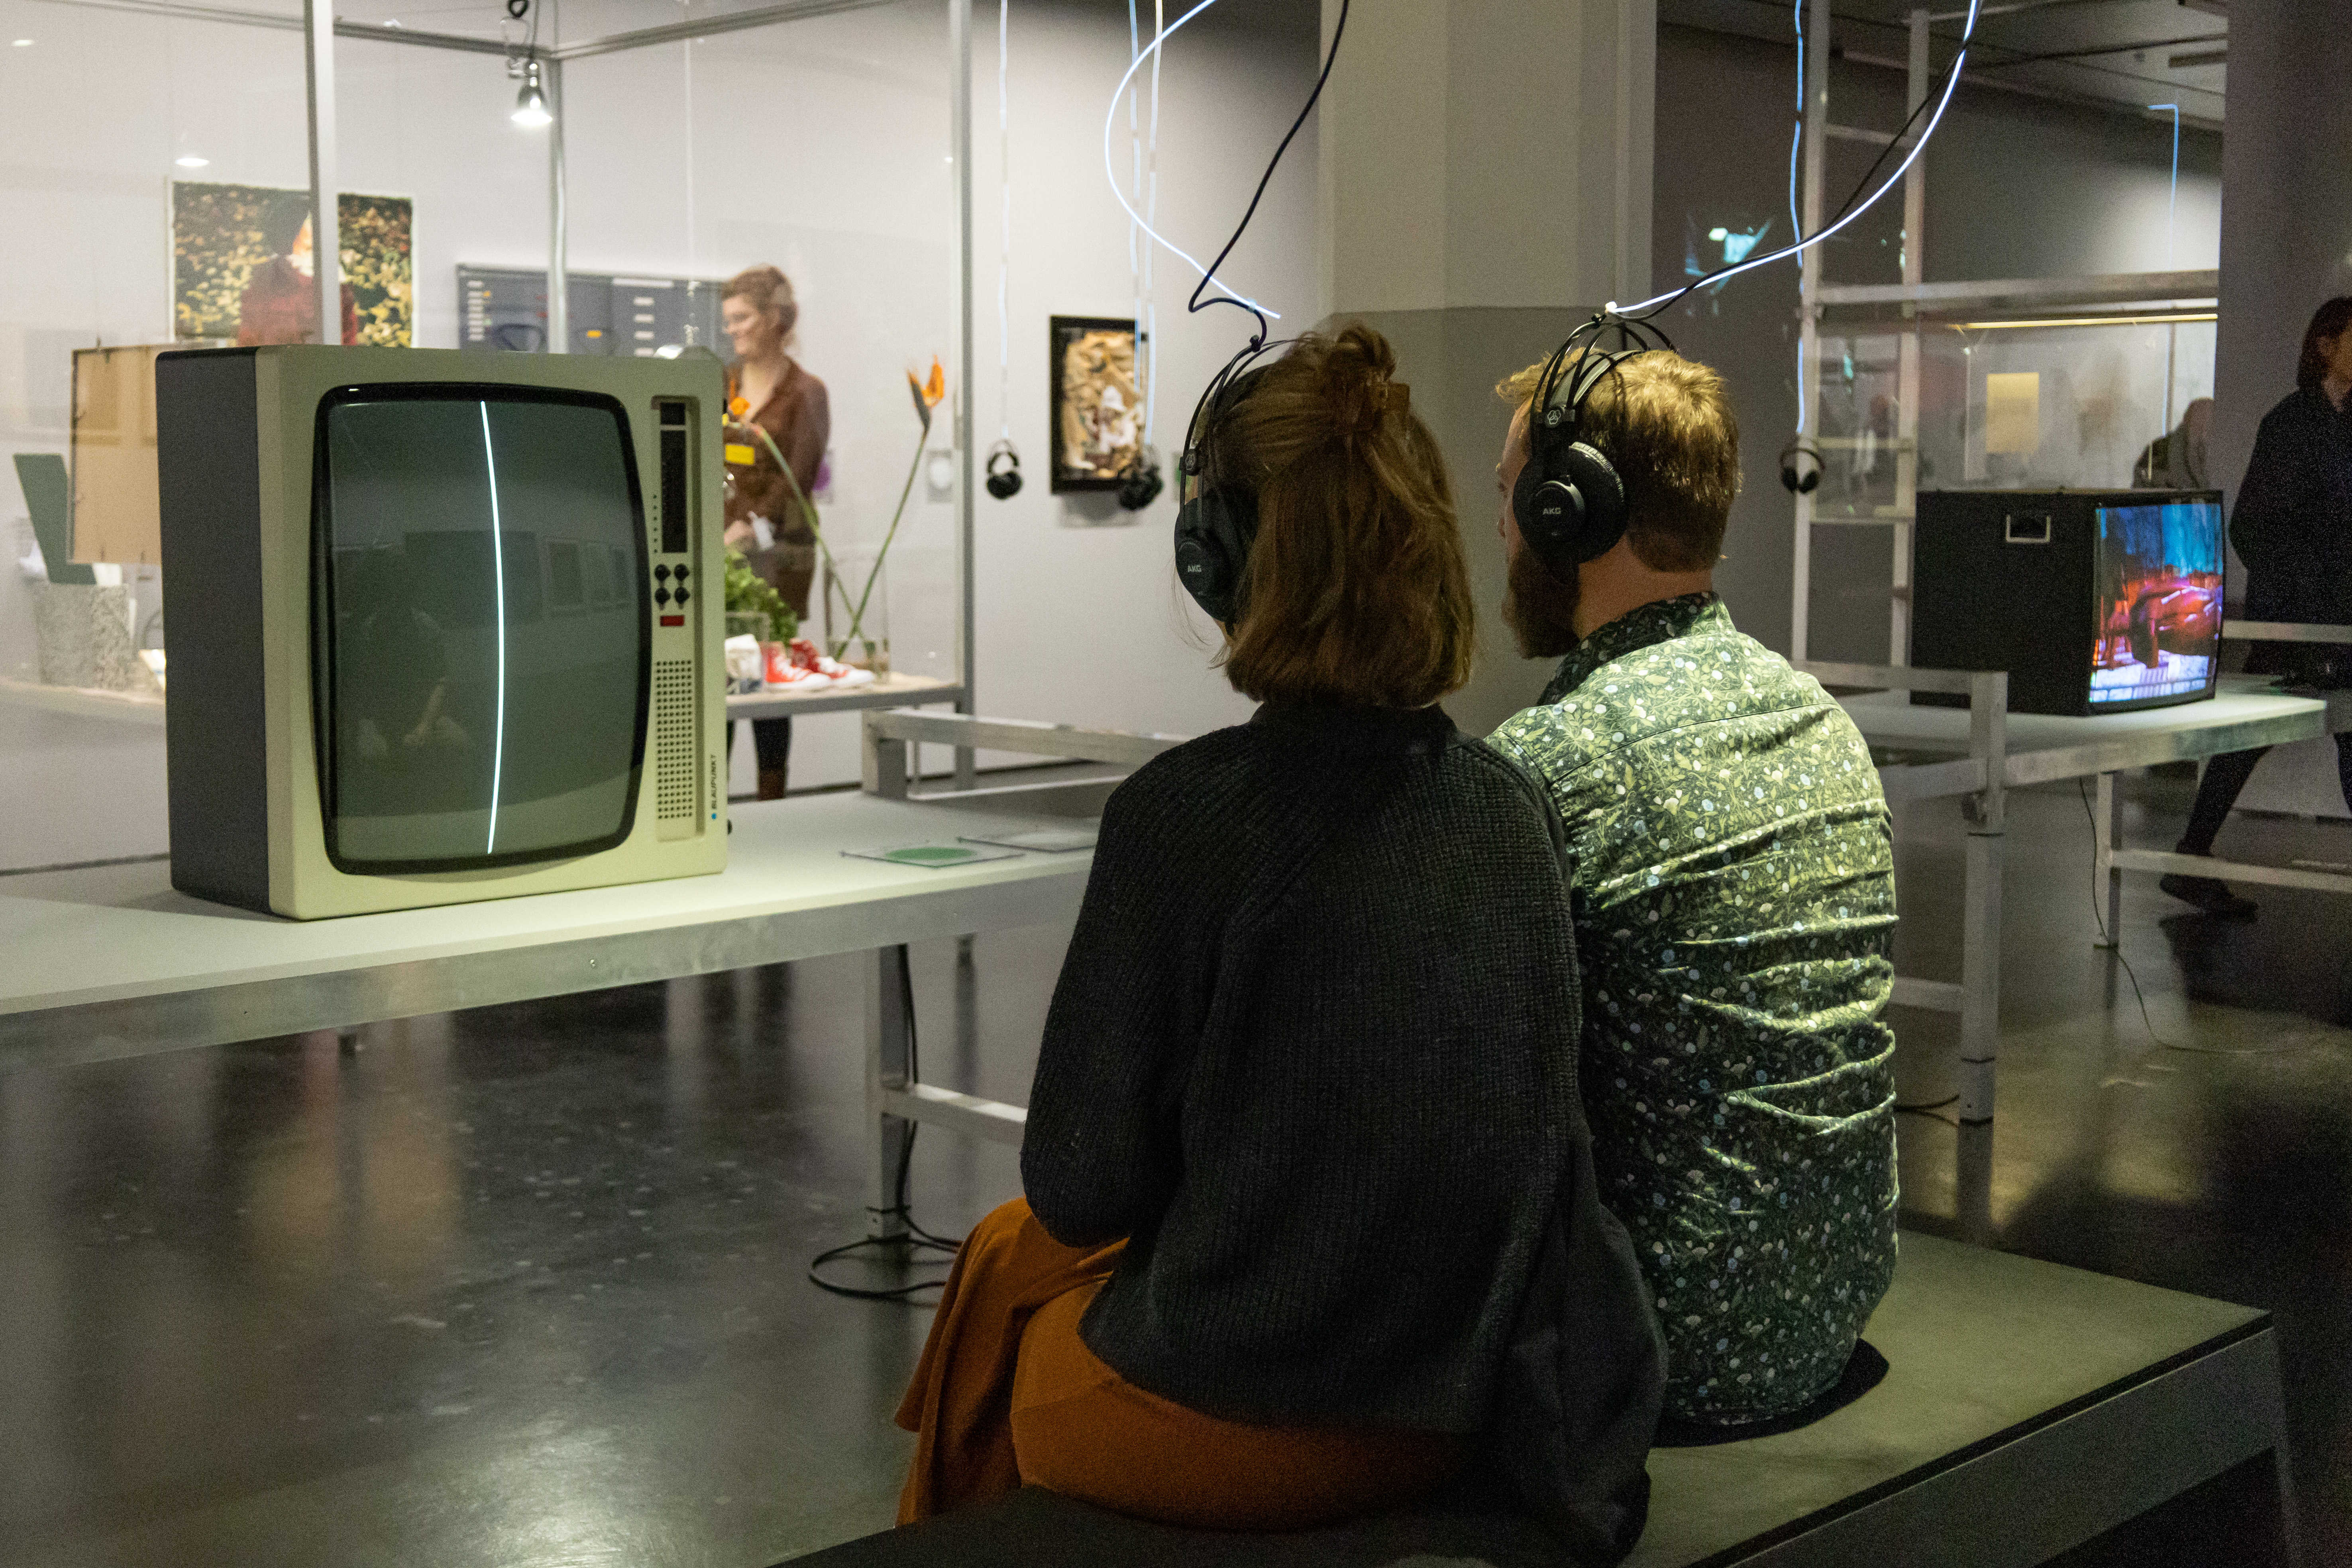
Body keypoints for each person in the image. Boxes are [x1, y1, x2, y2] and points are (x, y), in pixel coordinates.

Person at [895, 325, 1662, 1542]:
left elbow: (1079, 1185)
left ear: (1222, 558)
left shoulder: (1182, 820)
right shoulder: (1507, 810)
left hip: (1242, 1422)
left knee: (995, 1325)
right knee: (998, 1256)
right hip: (1454, 1409)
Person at [1485, 344, 1900, 1428]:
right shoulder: (1821, 721)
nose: (1501, 531)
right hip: (1830, 1304)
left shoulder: (1553, 759)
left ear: (1573, 510)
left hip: (1657, 1347)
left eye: (1509, 497)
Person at [2160, 298, 2352, 917]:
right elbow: (2254, 527)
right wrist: (2303, 589)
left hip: (2329, 613)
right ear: (2324, 345)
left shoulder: (2331, 423)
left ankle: (2190, 854)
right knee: (2267, 736)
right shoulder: (2293, 423)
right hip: (2306, 615)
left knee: (2264, 738)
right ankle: (2190, 854)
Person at [721, 264, 830, 799]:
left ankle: (771, 801)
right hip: (720, 557)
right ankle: (711, 804)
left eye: (742, 318)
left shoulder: (806, 392)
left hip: (777, 557)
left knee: (765, 684)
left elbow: (801, 475)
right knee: (720, 683)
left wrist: (750, 526)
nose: (733, 330)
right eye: (729, 320)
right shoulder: (720, 383)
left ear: (772, 319)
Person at [237, 204, 357, 347]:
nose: (317, 256)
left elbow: (348, 340)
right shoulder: (265, 284)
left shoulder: (337, 290)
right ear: (287, 247)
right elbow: (249, 337)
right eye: (309, 248)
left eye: (326, 247)